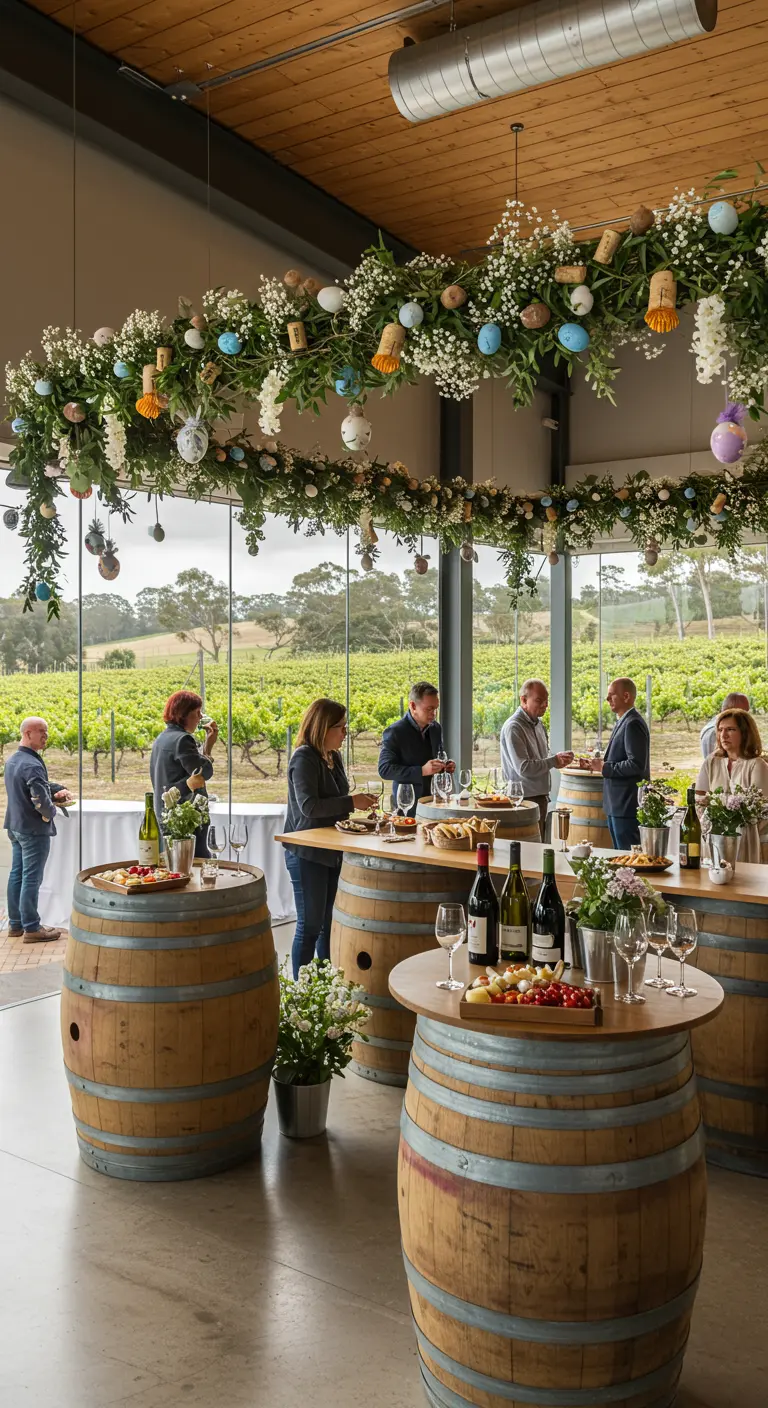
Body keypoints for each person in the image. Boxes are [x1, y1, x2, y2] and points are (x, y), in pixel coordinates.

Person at [283, 698, 376, 977]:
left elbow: (338, 798)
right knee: (309, 925)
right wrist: (351, 802)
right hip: (306, 851)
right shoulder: (303, 758)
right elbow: (308, 807)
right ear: (323, 728)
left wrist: (358, 811)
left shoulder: (333, 757)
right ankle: (300, 991)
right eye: (341, 727)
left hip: (331, 848)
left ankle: (325, 987)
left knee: (329, 923)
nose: (345, 733)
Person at [3, 717, 73, 942]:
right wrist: (53, 810)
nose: (46, 736)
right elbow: (39, 800)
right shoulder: (32, 763)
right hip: (33, 829)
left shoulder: (13, 760)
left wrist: (56, 789)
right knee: (31, 879)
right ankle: (32, 928)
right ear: (27, 734)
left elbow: (31, 787)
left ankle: (16, 925)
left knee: (17, 875)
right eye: (41, 732)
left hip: (15, 825)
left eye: (46, 732)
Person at [499, 679, 573, 839]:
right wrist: (554, 761)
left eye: (546, 701)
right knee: (529, 851)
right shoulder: (514, 727)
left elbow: (541, 758)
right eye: (539, 700)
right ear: (523, 700)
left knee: (538, 850)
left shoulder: (538, 724)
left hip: (539, 797)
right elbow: (524, 768)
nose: (545, 705)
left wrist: (559, 759)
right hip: (523, 800)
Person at [150, 691, 218, 858]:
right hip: (186, 819)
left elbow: (193, 770)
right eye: (197, 713)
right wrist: (208, 752)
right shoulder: (183, 740)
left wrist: (207, 746)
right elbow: (203, 772)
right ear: (183, 715)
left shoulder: (163, 737)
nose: (200, 717)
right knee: (194, 868)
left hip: (167, 814)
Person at [695, 708, 768, 863]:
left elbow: (760, 808)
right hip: (713, 834)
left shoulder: (757, 765)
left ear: (745, 733)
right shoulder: (712, 761)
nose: (723, 735)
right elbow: (699, 797)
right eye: (720, 730)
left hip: (746, 839)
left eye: (730, 730)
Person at [588, 677, 650, 849]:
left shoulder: (633, 723)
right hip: (618, 805)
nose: (607, 700)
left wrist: (605, 767)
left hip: (626, 805)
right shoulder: (624, 721)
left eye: (611, 695)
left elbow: (636, 764)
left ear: (626, 696)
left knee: (629, 859)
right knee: (620, 857)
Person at [378, 682, 455, 814]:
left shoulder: (436, 728)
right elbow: (385, 770)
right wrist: (421, 771)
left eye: (436, 709)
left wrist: (444, 766)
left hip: (434, 803)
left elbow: (436, 757)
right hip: (407, 807)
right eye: (429, 709)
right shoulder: (395, 732)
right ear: (413, 706)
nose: (434, 714)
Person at [700, 693, 750, 758]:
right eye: (743, 713)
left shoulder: (714, 725)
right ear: (728, 710)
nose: (746, 718)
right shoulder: (715, 732)